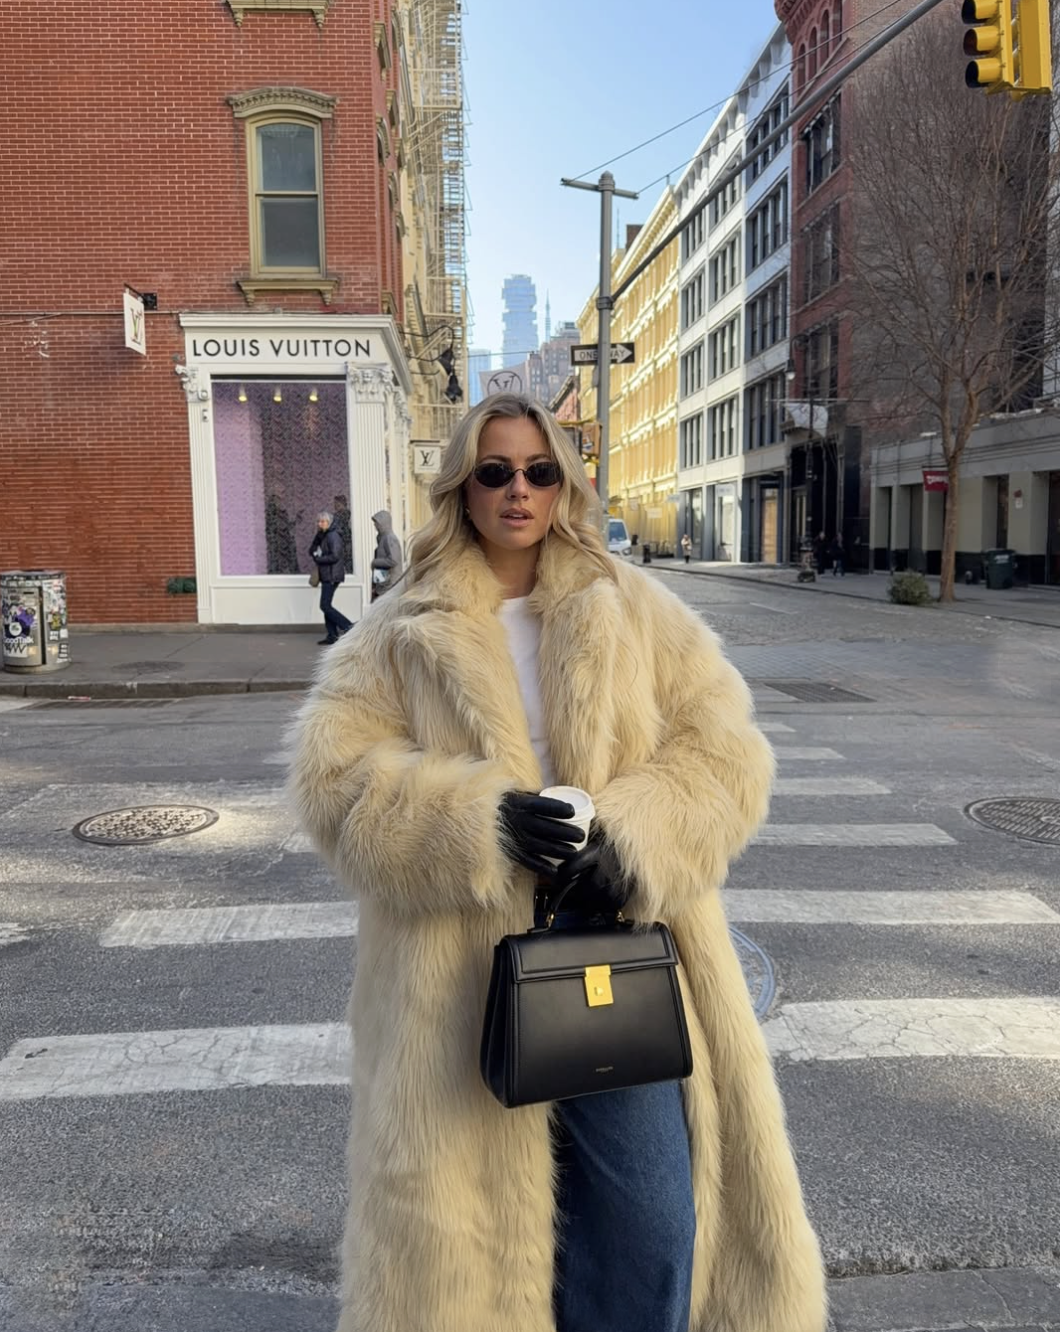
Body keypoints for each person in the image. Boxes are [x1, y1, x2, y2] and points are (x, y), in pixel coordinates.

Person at [289, 393, 825, 1332]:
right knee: (476, 1243)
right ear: (463, 487)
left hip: (615, 935)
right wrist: (479, 824)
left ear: (564, 484)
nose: (519, 491)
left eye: (539, 471)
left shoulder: (634, 606)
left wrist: (634, 834)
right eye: (495, 471)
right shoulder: (399, 626)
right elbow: (335, 783)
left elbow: (725, 751)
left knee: (653, 1222)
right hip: (461, 961)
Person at [309, 511, 352, 645]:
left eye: (322, 521)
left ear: (329, 522)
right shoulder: (323, 535)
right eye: (318, 521)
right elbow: (311, 550)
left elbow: (335, 556)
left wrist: (319, 559)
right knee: (326, 605)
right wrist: (317, 541)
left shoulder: (333, 535)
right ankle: (332, 635)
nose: (319, 524)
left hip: (332, 575)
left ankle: (349, 627)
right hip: (326, 574)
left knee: (325, 605)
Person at [369, 508, 403, 601]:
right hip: (382, 579)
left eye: (377, 523)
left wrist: (376, 562)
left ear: (383, 523)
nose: (375, 525)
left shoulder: (389, 538)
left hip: (390, 582)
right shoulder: (382, 538)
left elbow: (393, 560)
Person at [333, 494, 354, 574]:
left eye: (337, 504)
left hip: (346, 539)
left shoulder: (346, 513)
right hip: (339, 540)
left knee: (348, 560)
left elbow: (341, 524)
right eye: (335, 504)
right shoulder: (336, 515)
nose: (335, 506)